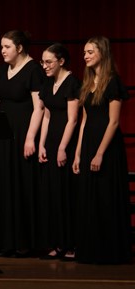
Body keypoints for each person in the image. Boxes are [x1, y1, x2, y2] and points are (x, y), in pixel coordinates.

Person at [72, 36, 132, 264]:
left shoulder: (112, 82)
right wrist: (78, 153)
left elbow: (114, 122)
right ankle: (91, 250)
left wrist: (99, 153)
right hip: (88, 145)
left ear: (102, 54)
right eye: (84, 52)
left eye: (90, 52)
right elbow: (84, 121)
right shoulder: (87, 83)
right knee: (90, 199)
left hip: (106, 148)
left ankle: (110, 252)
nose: (85, 55)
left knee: (105, 198)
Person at [0, 30, 45, 257]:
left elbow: (38, 107)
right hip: (1, 134)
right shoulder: (1, 70)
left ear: (19, 48)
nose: (2, 51)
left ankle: (23, 241)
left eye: (7, 47)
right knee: (2, 184)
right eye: (1, 46)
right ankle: (3, 241)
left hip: (21, 133)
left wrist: (30, 138)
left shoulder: (33, 70)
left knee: (20, 183)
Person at [37, 43, 81, 261]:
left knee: (66, 194)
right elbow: (46, 116)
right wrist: (41, 144)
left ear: (61, 61)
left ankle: (70, 244)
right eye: (42, 62)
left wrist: (63, 148)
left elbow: (73, 119)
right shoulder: (48, 84)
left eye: (48, 62)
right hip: (52, 142)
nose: (44, 66)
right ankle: (56, 243)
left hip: (67, 143)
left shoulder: (72, 83)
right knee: (52, 194)